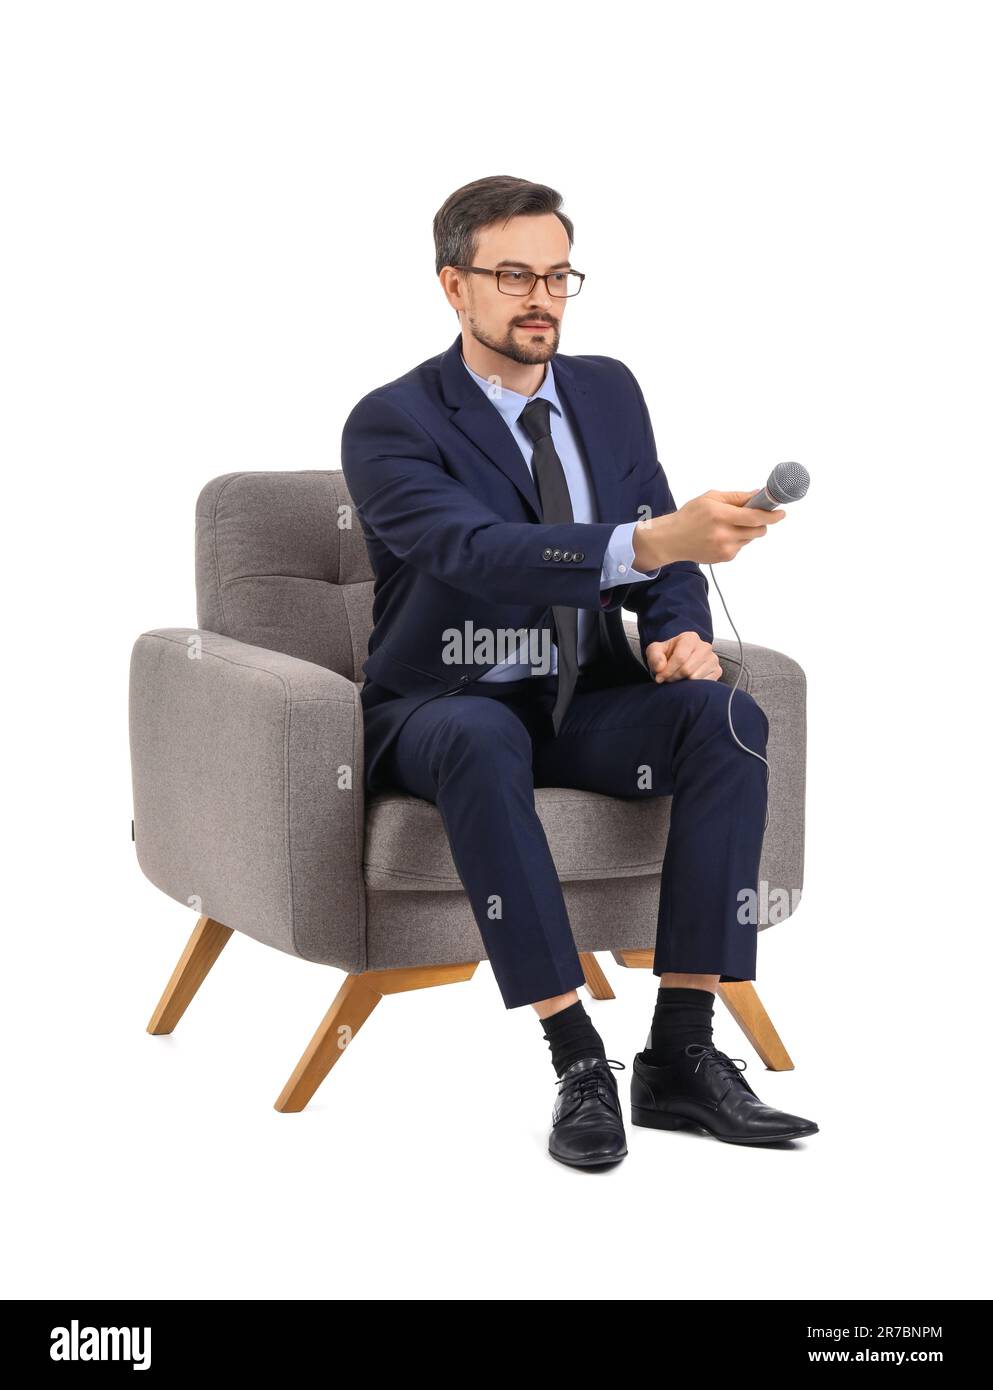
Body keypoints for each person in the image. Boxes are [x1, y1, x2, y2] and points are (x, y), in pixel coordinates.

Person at [341, 173, 818, 1169]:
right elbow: (475, 549)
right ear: (452, 286)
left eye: (559, 275)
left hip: (582, 701)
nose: (541, 298)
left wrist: (671, 632)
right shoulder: (391, 423)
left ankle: (682, 1055)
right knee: (478, 734)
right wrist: (646, 545)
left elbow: (666, 554)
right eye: (513, 274)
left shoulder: (608, 389)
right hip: (444, 700)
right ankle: (577, 1060)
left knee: (725, 718)